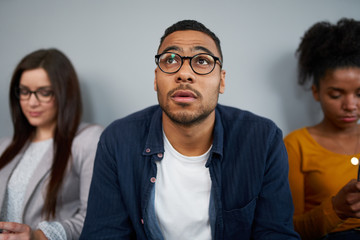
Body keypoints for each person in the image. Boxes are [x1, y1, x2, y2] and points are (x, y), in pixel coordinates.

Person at [80, 20, 300, 240]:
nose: (184, 74)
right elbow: (104, 235)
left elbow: (275, 234)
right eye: (171, 60)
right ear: (156, 78)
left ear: (221, 81)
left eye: (202, 61)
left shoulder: (262, 140)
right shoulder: (118, 141)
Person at [0, 48, 103, 240]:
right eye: (24, 91)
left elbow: (95, 217)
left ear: (65, 93)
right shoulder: (5, 147)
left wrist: (37, 236)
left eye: (44, 92)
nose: (31, 102)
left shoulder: (87, 140)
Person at [284, 18, 360, 240]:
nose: (350, 106)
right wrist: (336, 209)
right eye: (336, 95)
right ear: (316, 92)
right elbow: (288, 227)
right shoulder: (296, 145)